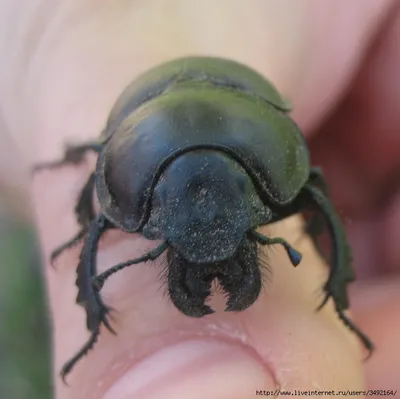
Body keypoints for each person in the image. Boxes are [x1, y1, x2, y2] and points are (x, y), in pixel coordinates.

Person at [0, 1, 399, 398]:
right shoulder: (125, 162)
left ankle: (336, 294)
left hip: (230, 106)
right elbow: (102, 188)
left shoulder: (267, 149)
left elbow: (309, 186)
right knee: (100, 213)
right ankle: (95, 321)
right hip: (150, 114)